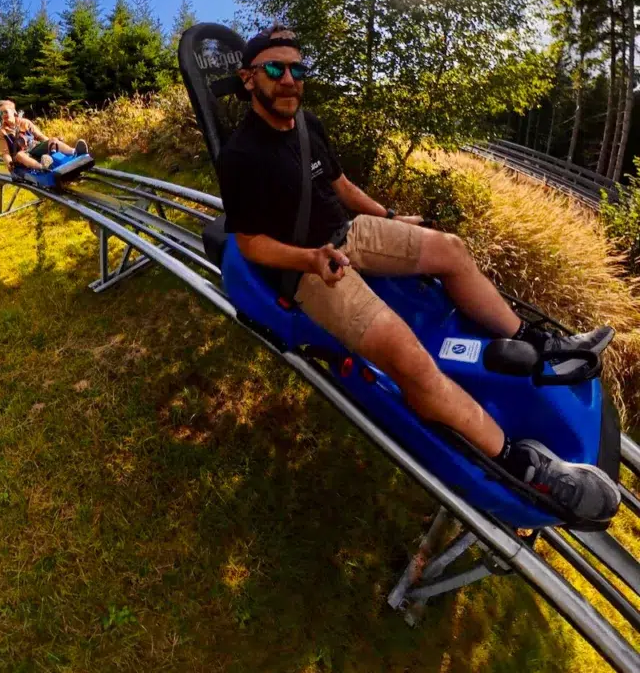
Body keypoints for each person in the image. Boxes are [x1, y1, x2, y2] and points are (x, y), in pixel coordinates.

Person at [217, 26, 621, 523]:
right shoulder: (240, 155)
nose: (289, 80)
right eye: (275, 70)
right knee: (410, 356)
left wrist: (389, 218)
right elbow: (250, 243)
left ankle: (536, 340)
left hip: (351, 233)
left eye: (297, 70)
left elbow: (341, 185)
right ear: (248, 78)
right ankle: (524, 464)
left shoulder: (308, 124)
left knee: (450, 249)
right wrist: (309, 261)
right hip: (309, 268)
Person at [0, 100, 88, 173]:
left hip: (34, 147)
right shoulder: (2, 132)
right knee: (20, 155)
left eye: (5, 112)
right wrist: (9, 163)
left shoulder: (25, 122)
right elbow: (5, 153)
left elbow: (40, 135)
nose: (4, 115)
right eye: (1, 113)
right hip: (21, 155)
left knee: (53, 140)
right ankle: (42, 167)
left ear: (13, 111)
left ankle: (75, 152)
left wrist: (52, 142)